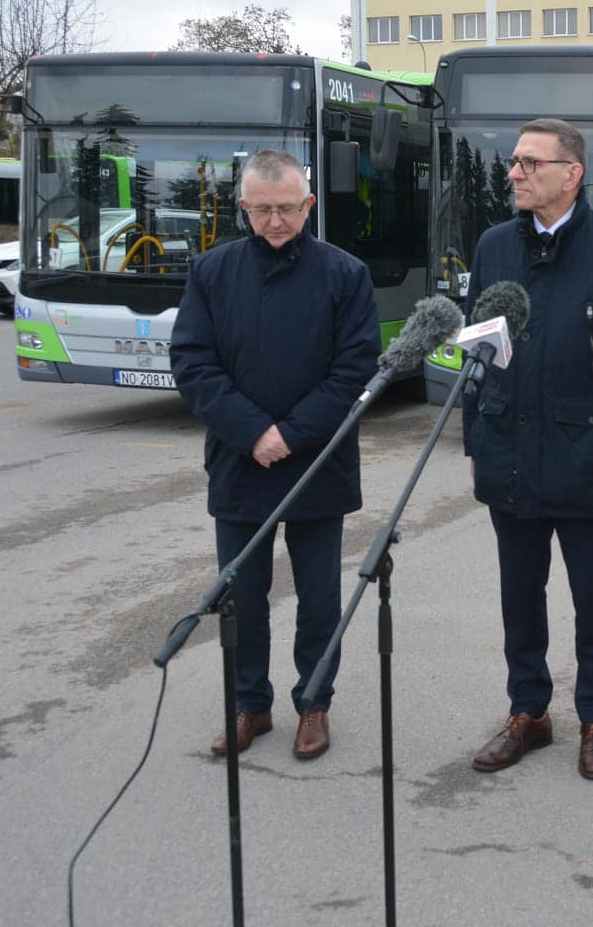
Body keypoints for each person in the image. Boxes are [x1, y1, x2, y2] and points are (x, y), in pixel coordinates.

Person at [463, 118, 593, 781]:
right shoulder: (494, 246)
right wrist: (475, 437)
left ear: (571, 173)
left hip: (586, 455)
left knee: (592, 598)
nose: (514, 173)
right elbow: (478, 351)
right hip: (508, 452)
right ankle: (530, 713)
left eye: (529, 163)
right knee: (519, 596)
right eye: (514, 161)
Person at [170, 149, 381, 761]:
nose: (275, 222)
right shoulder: (212, 272)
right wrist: (252, 432)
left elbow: (354, 373)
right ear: (243, 207)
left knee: (319, 597)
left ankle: (313, 703)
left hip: (318, 462)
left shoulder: (346, 274)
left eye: (287, 209)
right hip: (240, 462)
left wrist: (288, 434)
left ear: (308, 204)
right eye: (261, 210)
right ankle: (248, 705)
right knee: (241, 594)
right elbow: (192, 362)